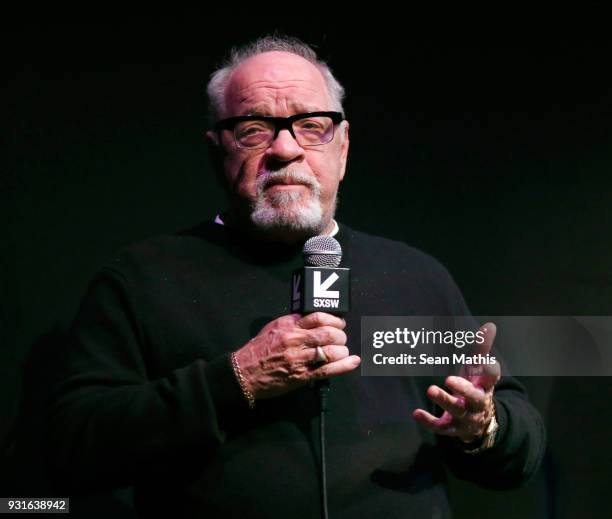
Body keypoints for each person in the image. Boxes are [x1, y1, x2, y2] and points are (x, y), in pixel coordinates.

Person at [44, 36, 545, 518]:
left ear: (343, 147)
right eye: (255, 128)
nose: (286, 150)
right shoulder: (143, 280)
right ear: (218, 149)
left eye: (311, 125)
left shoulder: (414, 277)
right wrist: (236, 379)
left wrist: (483, 428)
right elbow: (71, 450)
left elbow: (517, 453)